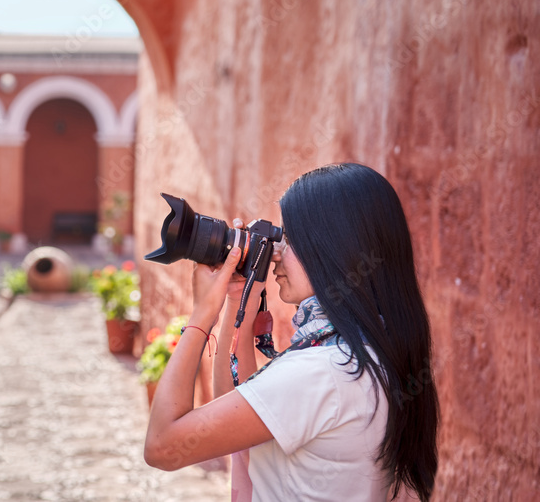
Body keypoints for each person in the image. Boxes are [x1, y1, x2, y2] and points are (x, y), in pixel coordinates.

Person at [144, 163, 439, 501]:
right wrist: (242, 298)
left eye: (292, 239)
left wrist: (200, 316)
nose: (277, 254)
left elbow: (162, 446)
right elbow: (237, 400)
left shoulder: (322, 371)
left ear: (335, 249)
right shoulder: (365, 348)